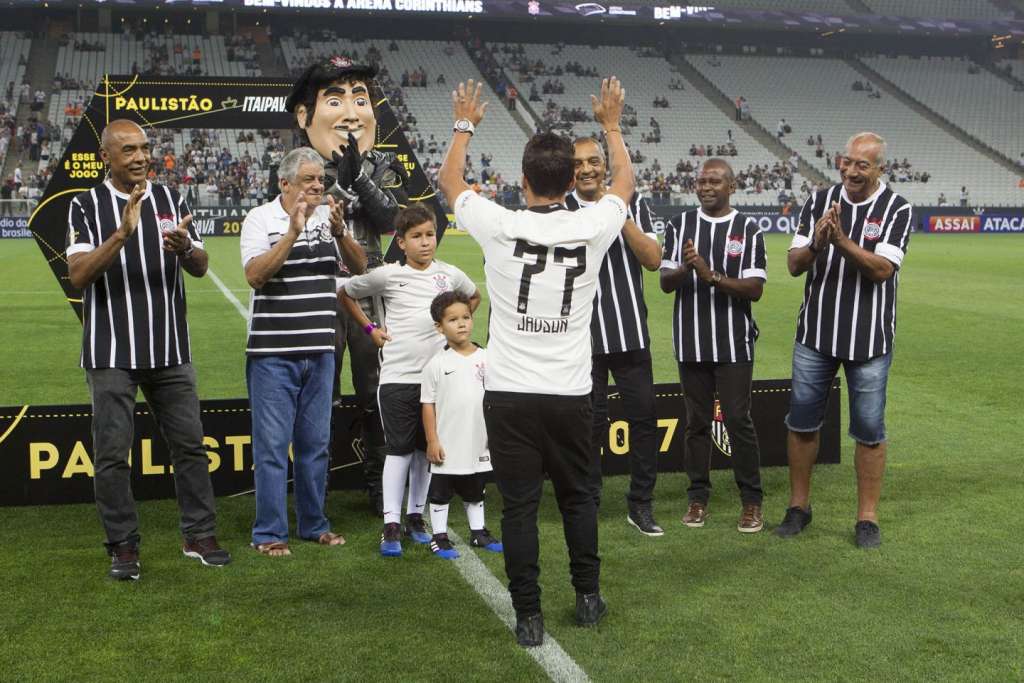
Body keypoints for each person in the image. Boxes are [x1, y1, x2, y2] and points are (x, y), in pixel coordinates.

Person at [438, 78, 634, 647]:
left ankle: (528, 615)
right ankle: (588, 596)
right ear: (574, 180)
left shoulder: (501, 224)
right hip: (571, 392)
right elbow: (624, 182)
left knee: (520, 507)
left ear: (522, 181)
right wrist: (613, 125)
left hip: (510, 393)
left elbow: (450, 181)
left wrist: (463, 124)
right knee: (579, 498)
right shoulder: (592, 224)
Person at [65, 119, 230, 580]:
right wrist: (121, 234)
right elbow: (78, 275)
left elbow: (199, 265)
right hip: (111, 353)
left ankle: (198, 534)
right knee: (113, 455)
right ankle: (122, 545)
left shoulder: (169, 197)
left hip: (170, 348)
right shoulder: (85, 205)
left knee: (190, 446)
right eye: (128, 151)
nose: (139, 158)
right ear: (106, 157)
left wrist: (185, 250)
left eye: (143, 148)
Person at [286, 57, 412, 516]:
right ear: (305, 117)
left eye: (361, 98)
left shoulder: (380, 163)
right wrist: (345, 181)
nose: (352, 112)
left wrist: (357, 174)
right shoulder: (298, 167)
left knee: (376, 389)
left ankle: (383, 492)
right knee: (314, 391)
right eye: (335, 100)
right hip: (316, 290)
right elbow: (302, 218)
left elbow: (391, 222)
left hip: (368, 292)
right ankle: (311, 498)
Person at [778, 132, 913, 549]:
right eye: (847, 161)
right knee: (802, 424)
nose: (852, 171)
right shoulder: (818, 200)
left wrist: (841, 241)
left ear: (879, 170)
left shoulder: (897, 208)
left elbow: (882, 270)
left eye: (862, 165)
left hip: (869, 339)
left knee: (869, 430)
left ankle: (867, 518)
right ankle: (799, 507)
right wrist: (819, 242)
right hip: (816, 334)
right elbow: (794, 265)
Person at [241, 147, 367, 557]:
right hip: (272, 353)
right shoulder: (261, 219)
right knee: (273, 447)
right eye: (309, 179)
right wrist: (293, 232)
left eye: (320, 179)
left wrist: (342, 233)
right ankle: (269, 532)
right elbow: (256, 276)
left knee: (316, 444)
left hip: (320, 349)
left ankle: (315, 524)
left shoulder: (330, 217)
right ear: (284, 183)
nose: (318, 185)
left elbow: (360, 267)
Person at [340, 204, 480, 558]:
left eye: (429, 234)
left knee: (425, 452)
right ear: (400, 242)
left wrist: (453, 324)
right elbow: (346, 293)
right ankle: (391, 522)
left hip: (437, 380)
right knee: (399, 450)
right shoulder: (387, 275)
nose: (425, 242)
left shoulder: (448, 275)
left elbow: (473, 295)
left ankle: (416, 517)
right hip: (399, 377)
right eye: (416, 237)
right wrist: (370, 329)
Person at [659, 159, 768, 533]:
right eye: (701, 181)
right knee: (696, 424)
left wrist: (711, 276)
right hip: (691, 343)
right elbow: (665, 282)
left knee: (738, 422)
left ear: (732, 185)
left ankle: (751, 501)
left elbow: (755, 288)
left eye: (714, 181)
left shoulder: (748, 229)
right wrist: (687, 270)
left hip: (734, 343)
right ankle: (697, 498)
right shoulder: (679, 225)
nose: (706, 186)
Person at [565, 137, 663, 535]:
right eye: (578, 163)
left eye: (593, 161)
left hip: (630, 333)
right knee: (589, 425)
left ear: (605, 165)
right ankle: (587, 499)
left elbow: (653, 260)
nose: (586, 169)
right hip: (580, 339)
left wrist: (617, 208)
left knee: (643, 419)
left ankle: (641, 504)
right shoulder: (561, 210)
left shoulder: (633, 203)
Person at [421, 290, 503, 560]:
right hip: (447, 442)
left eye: (466, 317)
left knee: (475, 488)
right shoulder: (436, 364)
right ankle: (440, 536)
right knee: (441, 492)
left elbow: (496, 400)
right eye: (453, 319)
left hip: (478, 440)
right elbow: (428, 405)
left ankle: (478, 532)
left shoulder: (488, 358)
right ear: (439, 327)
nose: (461, 323)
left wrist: (496, 433)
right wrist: (432, 440)